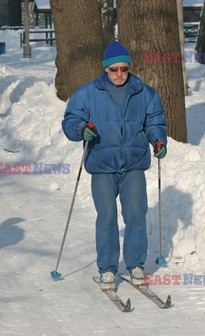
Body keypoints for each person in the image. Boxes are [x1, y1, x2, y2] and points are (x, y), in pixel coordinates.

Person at [61, 41, 168, 290]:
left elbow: (155, 120)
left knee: (135, 215)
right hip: (102, 164)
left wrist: (158, 139)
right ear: (105, 69)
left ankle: (136, 265)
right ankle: (108, 269)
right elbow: (71, 121)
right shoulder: (87, 93)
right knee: (107, 217)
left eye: (123, 68)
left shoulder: (145, 93)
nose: (119, 73)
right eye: (114, 69)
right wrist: (81, 129)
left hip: (133, 164)